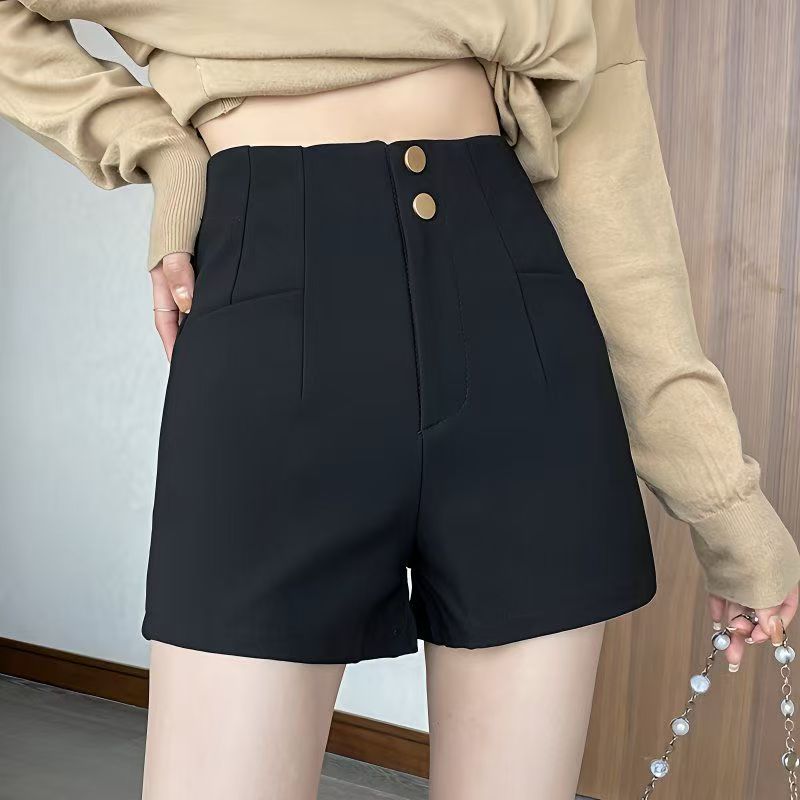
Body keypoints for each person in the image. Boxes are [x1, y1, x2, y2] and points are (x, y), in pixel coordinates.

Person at [2, 1, 798, 798]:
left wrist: (725, 506)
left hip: (518, 324)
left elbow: (615, 210)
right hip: (274, 313)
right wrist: (157, 146)